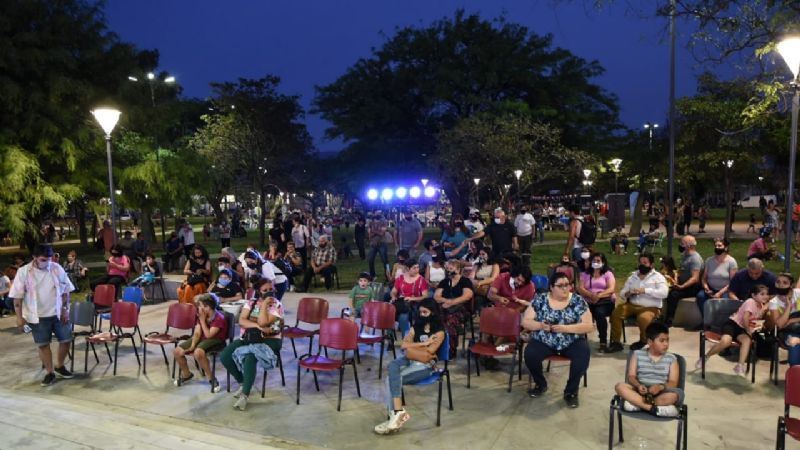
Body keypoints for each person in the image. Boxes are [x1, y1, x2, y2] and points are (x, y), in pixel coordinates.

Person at [522, 271, 593, 408]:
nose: (565, 288)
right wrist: (540, 325)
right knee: (530, 354)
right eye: (560, 286)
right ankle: (540, 384)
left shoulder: (577, 300)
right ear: (551, 287)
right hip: (544, 340)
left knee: (583, 354)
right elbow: (526, 322)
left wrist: (566, 328)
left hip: (571, 341)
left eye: (567, 285)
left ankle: (571, 392)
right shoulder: (540, 299)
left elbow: (588, 326)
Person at [374, 298, 444, 435]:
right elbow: (404, 345)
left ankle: (394, 416)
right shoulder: (415, 327)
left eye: (425, 312)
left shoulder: (439, 331)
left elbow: (430, 352)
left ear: (433, 313)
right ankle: (397, 414)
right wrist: (423, 344)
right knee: (393, 364)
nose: (422, 314)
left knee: (391, 379)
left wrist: (414, 348)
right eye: (420, 312)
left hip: (426, 365)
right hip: (410, 359)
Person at [9, 244, 75, 386]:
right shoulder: (23, 272)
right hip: (37, 316)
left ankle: (60, 366)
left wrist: (65, 309)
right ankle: (50, 373)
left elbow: (66, 291)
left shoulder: (56, 268)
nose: (47, 262)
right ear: (34, 258)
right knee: (43, 344)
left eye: (49, 259)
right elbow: (17, 298)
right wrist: (19, 318)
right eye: (43, 259)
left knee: (66, 339)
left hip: (57, 313)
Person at [219, 278, 284, 411]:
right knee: (225, 355)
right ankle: (243, 382)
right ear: (258, 292)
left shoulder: (277, 305)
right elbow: (242, 321)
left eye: (271, 289)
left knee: (250, 357)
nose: (269, 292)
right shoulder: (251, 302)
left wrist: (265, 306)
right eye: (265, 290)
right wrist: (257, 327)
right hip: (250, 336)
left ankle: (245, 395)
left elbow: (263, 322)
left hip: (270, 339)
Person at [697, 284, 769, 376]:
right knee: (726, 342)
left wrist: (756, 328)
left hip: (742, 329)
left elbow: (754, 321)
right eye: (762, 294)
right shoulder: (750, 302)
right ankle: (705, 357)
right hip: (732, 324)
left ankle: (740, 365)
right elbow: (745, 318)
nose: (765, 296)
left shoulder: (761, 306)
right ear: (753, 295)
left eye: (766, 294)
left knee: (747, 341)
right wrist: (748, 331)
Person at [614, 322, 682, 417]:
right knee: (620, 386)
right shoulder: (637, 354)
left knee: (675, 395)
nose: (666, 344)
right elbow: (631, 376)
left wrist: (660, 387)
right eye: (662, 341)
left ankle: (637, 405)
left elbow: (673, 382)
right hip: (640, 392)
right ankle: (652, 409)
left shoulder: (672, 358)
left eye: (667, 340)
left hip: (660, 393)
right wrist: (638, 385)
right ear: (650, 342)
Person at [605, 254, 669, 353]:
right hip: (632, 304)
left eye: (645, 263)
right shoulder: (633, 276)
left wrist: (645, 290)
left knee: (643, 318)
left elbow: (664, 293)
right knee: (616, 313)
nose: (642, 265)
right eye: (640, 262)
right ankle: (616, 342)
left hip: (650, 307)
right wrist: (628, 293)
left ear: (651, 265)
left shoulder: (658, 277)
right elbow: (622, 293)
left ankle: (643, 341)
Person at [174, 294, 229, 391]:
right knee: (177, 351)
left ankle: (211, 378)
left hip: (216, 340)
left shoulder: (219, 318)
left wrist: (202, 321)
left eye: (200, 306)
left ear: (207, 307)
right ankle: (187, 374)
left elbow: (208, 335)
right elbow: (197, 333)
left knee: (198, 353)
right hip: (203, 338)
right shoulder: (202, 315)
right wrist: (192, 345)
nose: (199, 308)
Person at [433, 259, 474, 358]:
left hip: (460, 309)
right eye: (447, 268)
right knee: (434, 319)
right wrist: (446, 301)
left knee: (450, 322)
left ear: (458, 269)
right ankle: (436, 348)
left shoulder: (465, 281)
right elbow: (436, 296)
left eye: (451, 268)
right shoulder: (444, 281)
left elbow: (467, 296)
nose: (448, 270)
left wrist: (451, 302)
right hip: (444, 307)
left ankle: (450, 350)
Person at [576, 252, 616, 352]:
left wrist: (598, 296)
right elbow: (580, 288)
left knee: (599, 314)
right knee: (578, 313)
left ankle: (603, 341)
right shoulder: (584, 274)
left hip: (604, 301)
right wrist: (591, 295)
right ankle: (578, 341)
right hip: (588, 300)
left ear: (603, 262)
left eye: (598, 261)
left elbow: (611, 289)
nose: (595, 262)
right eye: (594, 260)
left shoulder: (608, 274)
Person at [663, 235, 703, 328]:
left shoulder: (695, 259)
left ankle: (669, 320)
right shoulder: (685, 255)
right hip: (683, 284)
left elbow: (695, 278)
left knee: (673, 295)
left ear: (689, 246)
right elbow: (681, 270)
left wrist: (682, 286)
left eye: (682, 243)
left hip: (693, 287)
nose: (680, 245)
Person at [696, 238, 738, 318]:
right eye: (715, 246)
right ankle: (706, 320)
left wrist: (720, 293)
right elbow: (704, 278)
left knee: (724, 301)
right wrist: (706, 288)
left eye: (719, 245)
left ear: (725, 247)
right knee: (700, 296)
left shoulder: (731, 262)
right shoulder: (709, 260)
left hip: (725, 290)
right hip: (711, 289)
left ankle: (719, 323)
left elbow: (732, 282)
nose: (717, 247)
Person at [389, 259, 430, 337]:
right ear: (408, 268)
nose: (416, 270)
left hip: (416, 304)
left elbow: (425, 296)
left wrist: (411, 298)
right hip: (402, 303)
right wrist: (393, 296)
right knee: (388, 314)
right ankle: (391, 338)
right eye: (414, 268)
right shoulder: (400, 278)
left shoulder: (421, 280)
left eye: (417, 267)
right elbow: (393, 291)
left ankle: (408, 337)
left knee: (403, 317)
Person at [367, 212, 390, 281]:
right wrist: (377, 232)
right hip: (373, 244)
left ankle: (388, 275)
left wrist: (373, 231)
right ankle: (372, 275)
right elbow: (370, 235)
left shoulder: (384, 222)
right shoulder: (370, 223)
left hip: (382, 243)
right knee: (370, 260)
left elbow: (382, 234)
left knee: (385, 261)